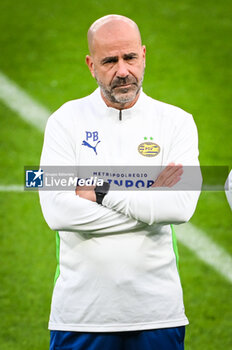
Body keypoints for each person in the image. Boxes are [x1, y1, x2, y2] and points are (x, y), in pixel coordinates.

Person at [39, 14, 201, 350]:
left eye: (129, 57)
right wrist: (149, 202)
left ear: (144, 55)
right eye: (109, 61)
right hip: (81, 316)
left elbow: (180, 207)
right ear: (91, 65)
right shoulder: (64, 122)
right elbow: (58, 214)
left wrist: (100, 190)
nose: (122, 71)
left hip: (158, 314)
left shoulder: (177, 123)